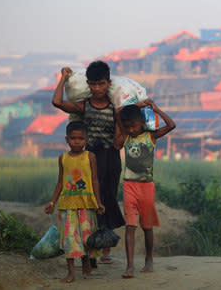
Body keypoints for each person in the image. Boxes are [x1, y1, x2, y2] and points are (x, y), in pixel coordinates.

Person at [52, 61, 125, 264]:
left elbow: (119, 142)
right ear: (88, 84)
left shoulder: (115, 108)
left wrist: (122, 125)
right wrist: (63, 78)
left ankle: (105, 248)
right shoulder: (84, 105)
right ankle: (90, 247)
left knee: (108, 198)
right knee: (90, 199)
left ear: (108, 83)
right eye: (92, 84)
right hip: (88, 159)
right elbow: (57, 102)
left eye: (101, 84)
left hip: (110, 158)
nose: (97, 88)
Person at [117, 100, 176, 278]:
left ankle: (149, 259)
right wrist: (138, 105)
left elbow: (171, 125)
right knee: (130, 225)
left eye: (134, 126)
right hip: (129, 185)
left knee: (147, 227)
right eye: (127, 127)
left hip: (146, 187)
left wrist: (154, 109)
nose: (131, 130)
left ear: (142, 122)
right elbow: (117, 114)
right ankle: (129, 266)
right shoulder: (125, 137)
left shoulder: (151, 136)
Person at [44, 121, 106, 283]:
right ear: (67, 139)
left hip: (87, 203)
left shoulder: (90, 156)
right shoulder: (63, 158)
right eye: (73, 138)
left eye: (80, 138)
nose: (77, 141)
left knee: (86, 238)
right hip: (67, 205)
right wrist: (52, 202)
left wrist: (99, 202)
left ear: (86, 139)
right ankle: (71, 272)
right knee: (69, 238)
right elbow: (60, 182)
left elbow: (94, 180)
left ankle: (86, 263)